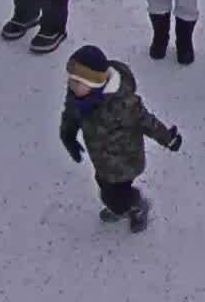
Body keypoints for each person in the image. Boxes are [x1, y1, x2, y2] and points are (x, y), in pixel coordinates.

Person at [59, 45, 183, 233]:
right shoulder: (78, 97)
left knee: (116, 195)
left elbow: (146, 121)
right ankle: (120, 205)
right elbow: (71, 114)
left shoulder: (122, 105)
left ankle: (135, 206)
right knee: (103, 184)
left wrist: (167, 138)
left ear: (95, 84)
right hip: (102, 159)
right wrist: (67, 134)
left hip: (125, 161)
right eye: (71, 80)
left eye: (78, 82)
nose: (71, 85)